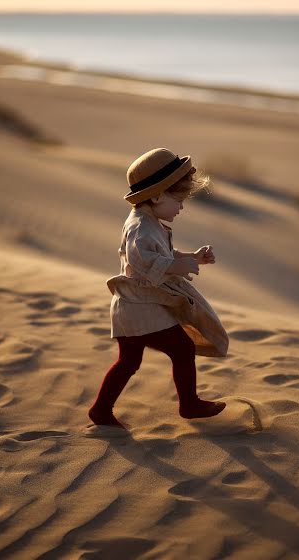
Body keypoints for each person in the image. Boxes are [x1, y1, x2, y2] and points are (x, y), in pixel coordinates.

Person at [89, 148, 229, 429]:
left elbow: (163, 253)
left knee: (129, 363)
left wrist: (192, 257)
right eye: (178, 199)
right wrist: (181, 266)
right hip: (140, 307)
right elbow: (146, 262)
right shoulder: (141, 227)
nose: (181, 207)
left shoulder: (149, 222)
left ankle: (101, 410)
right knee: (182, 348)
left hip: (134, 307)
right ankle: (188, 404)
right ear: (156, 196)